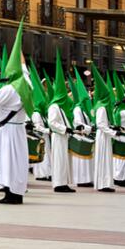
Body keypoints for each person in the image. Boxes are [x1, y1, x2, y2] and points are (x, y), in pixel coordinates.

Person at [0, 20, 30, 204]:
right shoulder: (27, 84)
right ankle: (17, 192)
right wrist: (18, 46)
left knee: (8, 162)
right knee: (18, 162)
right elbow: (24, 66)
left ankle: (10, 194)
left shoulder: (10, 89)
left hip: (8, 130)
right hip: (18, 129)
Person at [47, 53, 76, 194]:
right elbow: (52, 123)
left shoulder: (62, 108)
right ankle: (58, 184)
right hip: (58, 136)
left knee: (64, 160)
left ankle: (64, 182)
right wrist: (65, 129)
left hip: (63, 136)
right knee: (59, 160)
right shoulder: (54, 107)